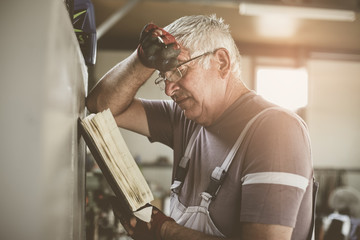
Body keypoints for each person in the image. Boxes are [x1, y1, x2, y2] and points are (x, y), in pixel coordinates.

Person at [86, 15, 314, 240]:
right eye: (164, 76)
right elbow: (101, 106)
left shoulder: (276, 130)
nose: (169, 89)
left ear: (221, 63)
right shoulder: (185, 119)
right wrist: (142, 60)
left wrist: (162, 230)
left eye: (178, 70)